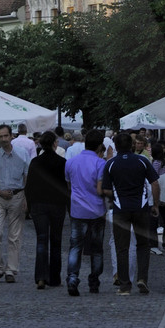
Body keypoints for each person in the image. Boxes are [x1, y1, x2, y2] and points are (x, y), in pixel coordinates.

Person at [101, 131, 160, 295]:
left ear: (116, 146)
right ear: (132, 145)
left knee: (122, 248)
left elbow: (105, 189)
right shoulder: (142, 161)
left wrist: (116, 195)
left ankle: (125, 286)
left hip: (120, 209)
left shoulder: (111, 164)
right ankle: (142, 278)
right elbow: (155, 183)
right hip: (141, 208)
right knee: (143, 245)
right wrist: (155, 204)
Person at [64, 127, 108, 296]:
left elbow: (69, 184)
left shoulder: (71, 162)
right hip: (96, 210)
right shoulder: (100, 163)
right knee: (97, 248)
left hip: (77, 209)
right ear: (99, 146)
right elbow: (101, 188)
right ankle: (94, 281)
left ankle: (73, 278)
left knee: (75, 246)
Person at [24, 130, 69, 290]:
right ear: (55, 144)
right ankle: (55, 277)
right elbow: (66, 187)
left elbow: (29, 186)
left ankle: (41, 277)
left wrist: (29, 205)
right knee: (56, 241)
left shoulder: (35, 162)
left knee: (41, 240)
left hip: (39, 204)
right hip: (57, 204)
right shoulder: (62, 163)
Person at [0, 124, 28, 283]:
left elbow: (27, 177)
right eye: (0, 137)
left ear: (11, 136)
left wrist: (26, 197)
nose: (3, 139)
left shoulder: (22, 154)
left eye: (5, 136)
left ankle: (11, 269)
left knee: (14, 236)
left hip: (17, 196)